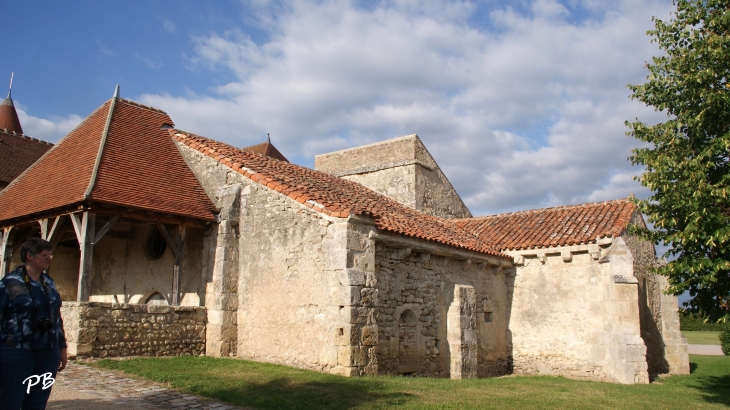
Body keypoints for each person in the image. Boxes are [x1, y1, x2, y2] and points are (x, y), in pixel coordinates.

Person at [0, 237, 67, 410]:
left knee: (38, 401)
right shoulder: (9, 283)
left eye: (50, 255)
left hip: (47, 353)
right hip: (17, 352)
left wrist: (62, 348)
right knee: (11, 401)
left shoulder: (49, 283)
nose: (49, 258)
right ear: (29, 256)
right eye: (45, 254)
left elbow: (57, 318)